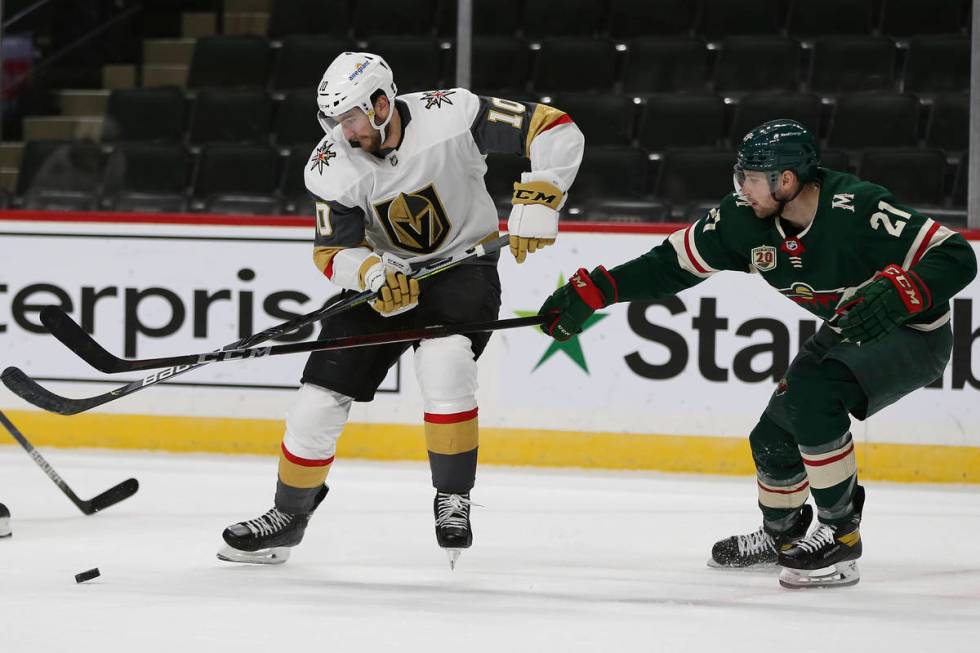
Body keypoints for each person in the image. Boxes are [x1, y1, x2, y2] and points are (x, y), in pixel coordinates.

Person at [537, 119, 976, 588]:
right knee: (773, 435)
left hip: (913, 334)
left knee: (813, 396)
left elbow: (957, 256)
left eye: (749, 177)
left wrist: (902, 291)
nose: (740, 187)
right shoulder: (744, 221)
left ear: (785, 179)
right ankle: (782, 536)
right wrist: (599, 290)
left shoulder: (857, 206)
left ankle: (842, 538)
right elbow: (671, 265)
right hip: (848, 328)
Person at [218, 52, 584, 568]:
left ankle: (453, 498)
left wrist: (545, 191)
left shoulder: (452, 114)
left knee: (445, 362)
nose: (343, 132)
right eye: (333, 121)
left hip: (463, 269)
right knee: (317, 399)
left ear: (383, 102)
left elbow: (554, 127)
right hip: (385, 279)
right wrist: (368, 273)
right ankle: (289, 514)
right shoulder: (330, 166)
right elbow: (331, 251)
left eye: (350, 118)